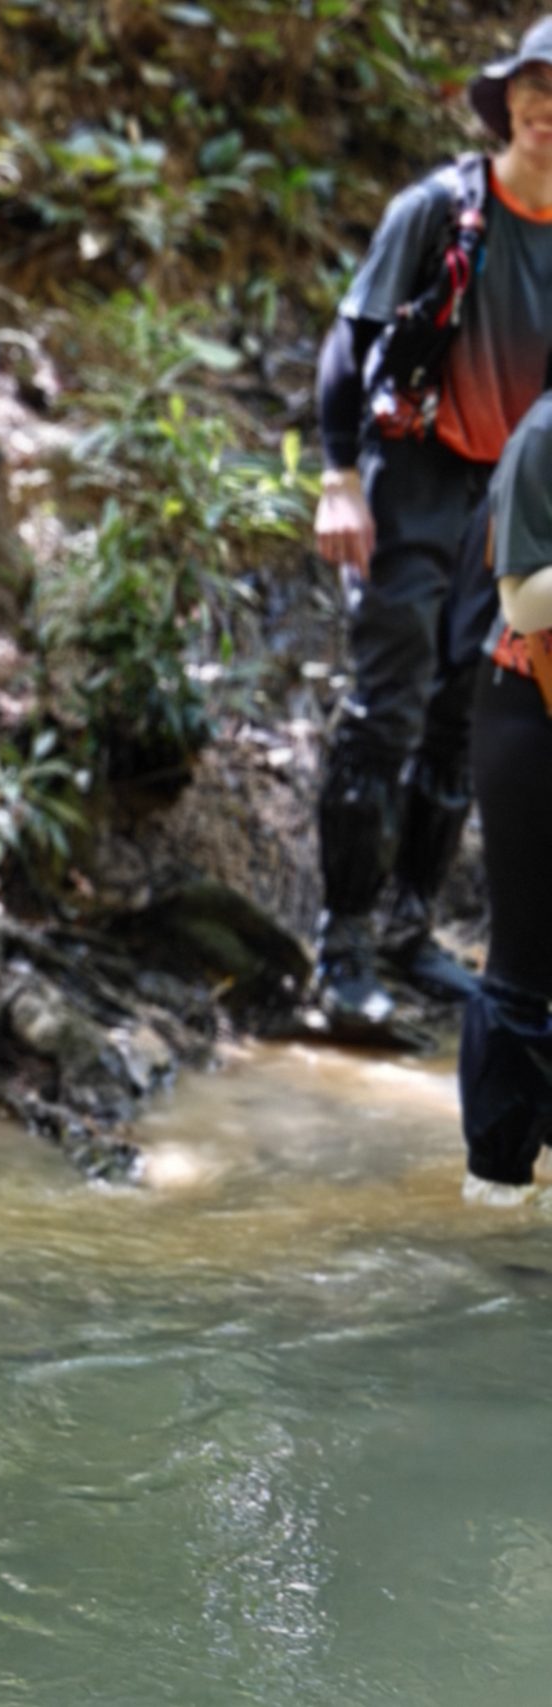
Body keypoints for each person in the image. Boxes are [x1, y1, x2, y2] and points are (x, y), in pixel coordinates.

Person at [308, 17, 552, 1028]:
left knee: (462, 711)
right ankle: (342, 950)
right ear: (508, 102)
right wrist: (338, 478)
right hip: (411, 473)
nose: (546, 108)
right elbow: (350, 339)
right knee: (388, 704)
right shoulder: (440, 209)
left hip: (508, 499)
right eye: (534, 87)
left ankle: (409, 931)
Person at [457, 388, 552, 1208]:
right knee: (522, 964)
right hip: (529, 706)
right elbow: (521, 599)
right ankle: (496, 1187)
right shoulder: (541, 437)